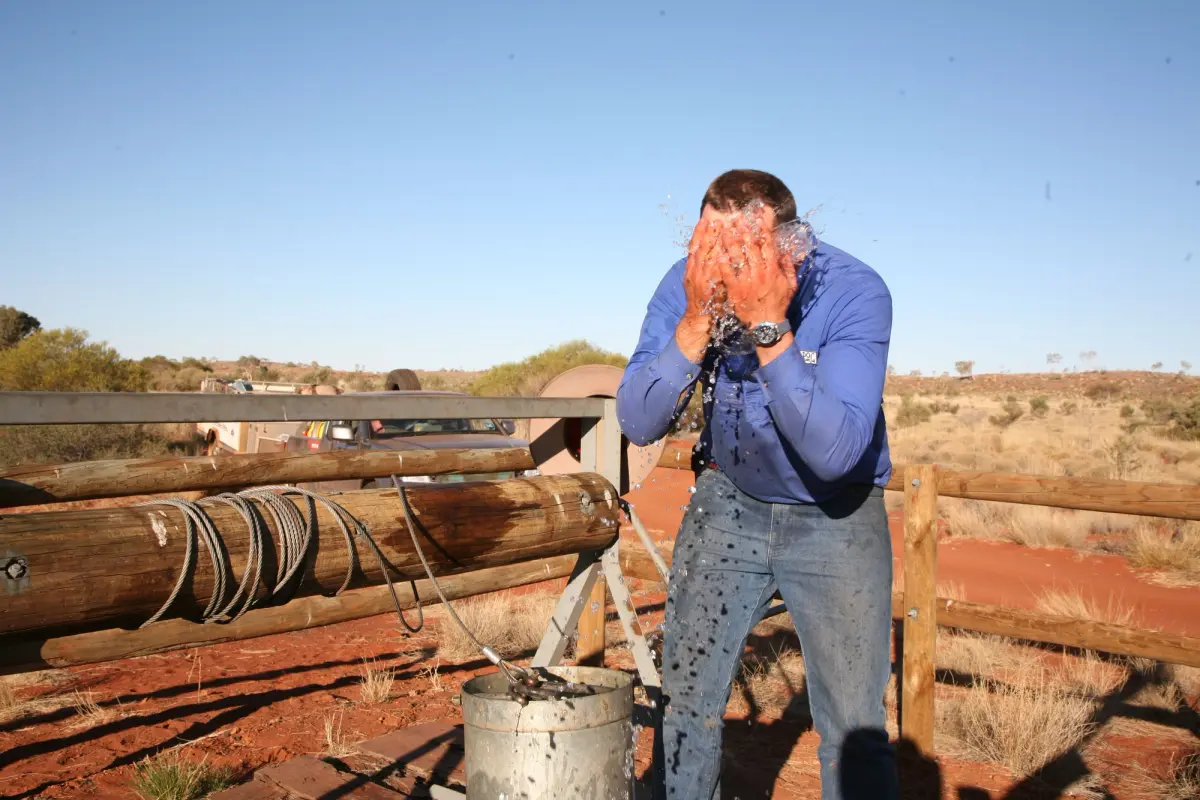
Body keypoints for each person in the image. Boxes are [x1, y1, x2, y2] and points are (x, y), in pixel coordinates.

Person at [616, 169, 898, 800]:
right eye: (712, 243)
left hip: (838, 514)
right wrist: (696, 319)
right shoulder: (689, 281)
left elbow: (835, 453)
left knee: (853, 727)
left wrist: (769, 326)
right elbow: (637, 419)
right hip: (727, 503)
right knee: (685, 704)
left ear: (789, 242)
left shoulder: (853, 289)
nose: (727, 260)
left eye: (744, 244)